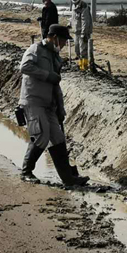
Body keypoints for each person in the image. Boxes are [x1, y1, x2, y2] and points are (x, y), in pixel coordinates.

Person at [18, 24, 89, 187]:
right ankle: (26, 172)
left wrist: (60, 108)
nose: (64, 45)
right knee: (41, 135)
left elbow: (56, 84)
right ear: (55, 38)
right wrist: (47, 75)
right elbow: (25, 67)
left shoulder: (56, 57)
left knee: (57, 138)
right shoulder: (35, 49)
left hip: (49, 104)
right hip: (33, 100)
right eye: (63, 41)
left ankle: (68, 178)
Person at [69, 0, 92, 71]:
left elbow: (85, 20)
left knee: (83, 51)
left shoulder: (83, 6)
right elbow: (73, 18)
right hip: (76, 32)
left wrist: (84, 33)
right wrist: (69, 24)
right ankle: (80, 65)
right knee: (77, 50)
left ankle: (84, 67)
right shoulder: (73, 5)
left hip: (83, 32)